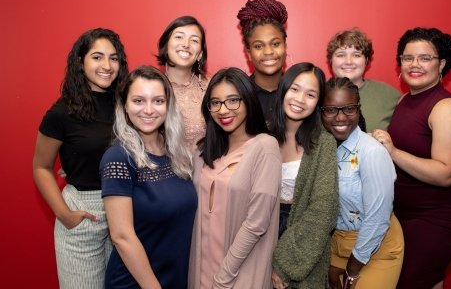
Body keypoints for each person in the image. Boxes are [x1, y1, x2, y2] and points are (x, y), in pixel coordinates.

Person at [372, 27, 451, 289]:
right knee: (428, 280)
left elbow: (445, 174)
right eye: (407, 58)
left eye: (424, 58)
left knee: (408, 280)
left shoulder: (446, 107)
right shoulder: (405, 99)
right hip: (405, 215)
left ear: (442, 64)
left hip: (440, 218)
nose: (414, 64)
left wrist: (393, 152)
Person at [32, 28, 129, 288]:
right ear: (80, 62)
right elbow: (40, 167)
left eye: (114, 58)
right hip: (84, 214)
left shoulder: (128, 104)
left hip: (125, 212)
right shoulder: (62, 111)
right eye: (97, 57)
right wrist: (64, 214)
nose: (107, 65)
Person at [100, 66, 196, 288]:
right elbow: (122, 237)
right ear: (125, 105)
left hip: (175, 277)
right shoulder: (118, 157)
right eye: (139, 101)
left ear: (168, 105)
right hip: (138, 283)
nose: (149, 110)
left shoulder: (176, 152)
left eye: (158, 101)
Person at [188, 67, 282, 288]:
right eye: (215, 103)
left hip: (240, 272)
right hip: (200, 269)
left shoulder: (265, 147)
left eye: (233, 100)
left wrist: (223, 277)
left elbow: (257, 223)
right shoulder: (200, 150)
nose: (224, 110)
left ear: (248, 101)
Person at [321, 77, 404, 289]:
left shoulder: (372, 152)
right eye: (331, 110)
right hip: (338, 244)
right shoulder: (321, 150)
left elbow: (377, 220)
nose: (340, 117)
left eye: (349, 109)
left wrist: (352, 270)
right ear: (321, 112)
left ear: (358, 110)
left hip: (376, 245)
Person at [270, 62, 339, 288]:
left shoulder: (323, 143)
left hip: (303, 237)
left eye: (311, 94)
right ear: (284, 89)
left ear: (318, 102)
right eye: (295, 89)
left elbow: (324, 208)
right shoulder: (263, 134)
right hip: (263, 231)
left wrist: (284, 264)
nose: (300, 99)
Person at [327, 28, 400, 132]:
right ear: (331, 60)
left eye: (356, 55)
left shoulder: (390, 95)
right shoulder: (316, 95)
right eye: (341, 55)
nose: (348, 61)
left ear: (366, 60)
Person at [157, 15, 209, 149]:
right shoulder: (151, 88)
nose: (186, 45)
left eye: (194, 40)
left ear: (200, 54)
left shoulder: (211, 88)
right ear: (166, 44)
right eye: (179, 37)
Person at [237, 0, 288, 122]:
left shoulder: (299, 93)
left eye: (275, 44)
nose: (268, 51)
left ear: (285, 47)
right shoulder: (239, 96)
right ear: (248, 53)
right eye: (258, 46)